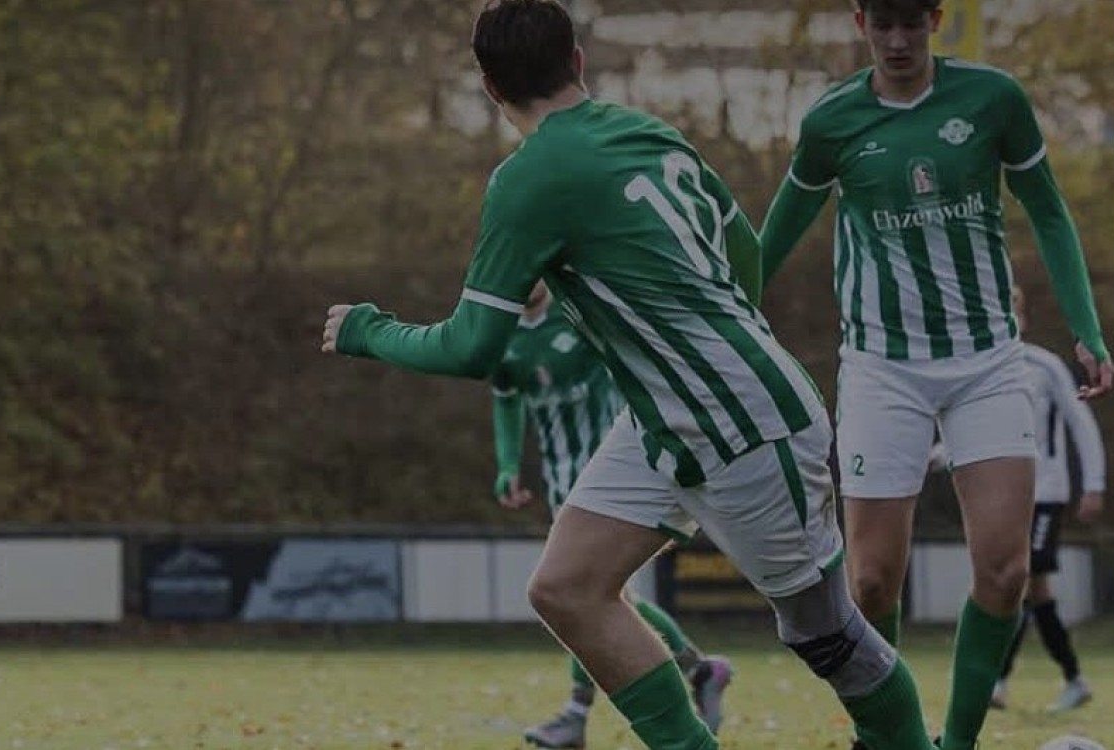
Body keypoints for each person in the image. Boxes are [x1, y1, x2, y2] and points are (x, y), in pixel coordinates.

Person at [323, 2, 936, 748]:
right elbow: (744, 256)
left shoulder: (527, 179)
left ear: (490, 87)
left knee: (826, 633)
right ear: (577, 61)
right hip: (664, 419)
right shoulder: (649, 132)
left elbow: (472, 348)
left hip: (746, 424)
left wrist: (368, 330)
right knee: (567, 589)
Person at [756, 1, 1114, 749]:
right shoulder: (831, 122)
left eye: (911, 24)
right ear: (860, 20)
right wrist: (726, 314)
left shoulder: (992, 99)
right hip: (881, 366)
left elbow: (1048, 211)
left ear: (935, 19)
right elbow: (778, 230)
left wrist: (1085, 326)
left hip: (987, 361)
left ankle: (955, 743)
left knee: (1006, 571)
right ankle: (884, 737)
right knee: (869, 583)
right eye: (883, 24)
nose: (897, 41)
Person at [491, 280, 733, 748]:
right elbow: (505, 397)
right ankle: (700, 670)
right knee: (596, 595)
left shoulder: (577, 310)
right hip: (560, 477)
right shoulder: (501, 333)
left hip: (609, 472)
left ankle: (577, 712)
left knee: (583, 594)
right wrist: (507, 464)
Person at [990, 286, 1106, 713]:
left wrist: (1094, 483)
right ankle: (1073, 679)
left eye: (1012, 309)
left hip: (1045, 491)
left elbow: (1080, 421)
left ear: (1022, 316)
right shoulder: (982, 370)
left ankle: (998, 681)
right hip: (1003, 495)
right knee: (1033, 590)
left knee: (1022, 580)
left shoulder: (1044, 366)